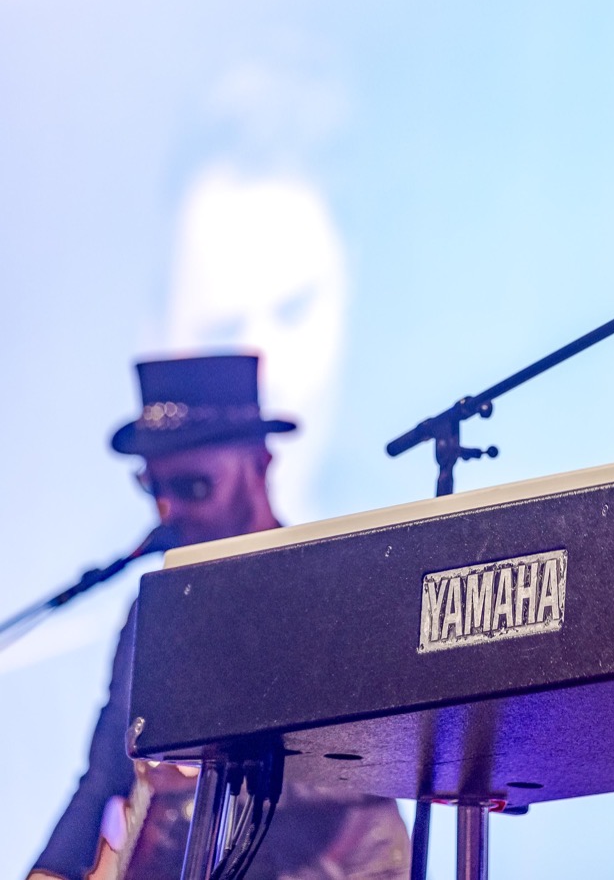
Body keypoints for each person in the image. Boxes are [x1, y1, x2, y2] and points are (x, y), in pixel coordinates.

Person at [29, 354, 409, 880]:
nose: (168, 511)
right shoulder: (156, 606)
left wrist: (213, 765)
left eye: (192, 487)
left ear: (260, 462)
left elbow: (377, 759)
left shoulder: (330, 589)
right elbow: (106, 772)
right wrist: (51, 871)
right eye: (154, 488)